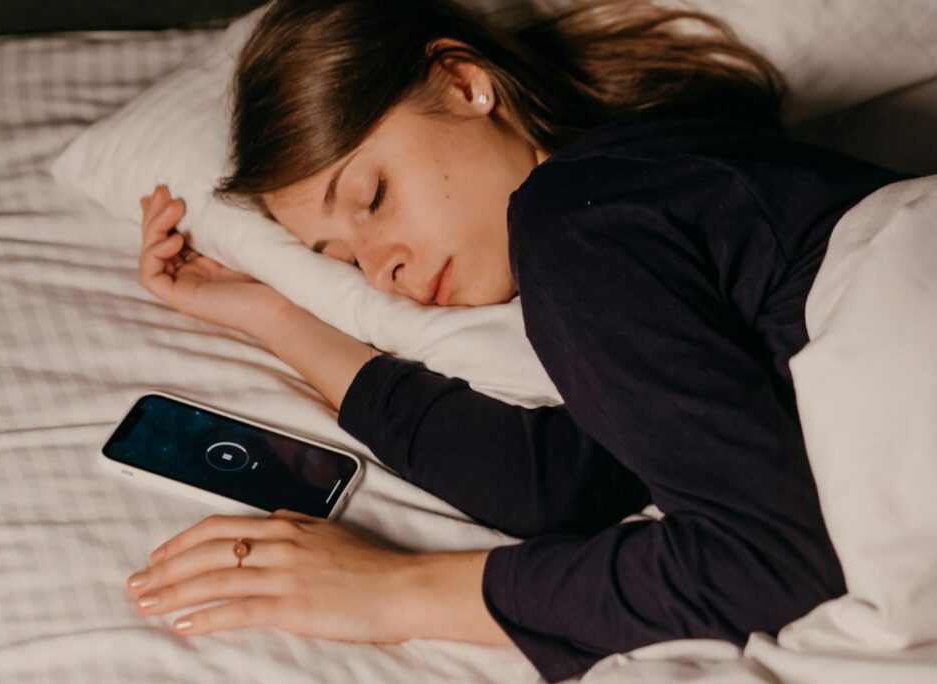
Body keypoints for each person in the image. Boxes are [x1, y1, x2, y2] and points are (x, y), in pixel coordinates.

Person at [124, 0, 910, 681]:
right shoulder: (642, 191)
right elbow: (564, 482)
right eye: (341, 260)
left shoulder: (572, 216)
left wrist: (393, 592)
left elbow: (764, 563)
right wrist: (272, 315)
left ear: (464, 83)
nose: (379, 271)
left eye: (373, 195)